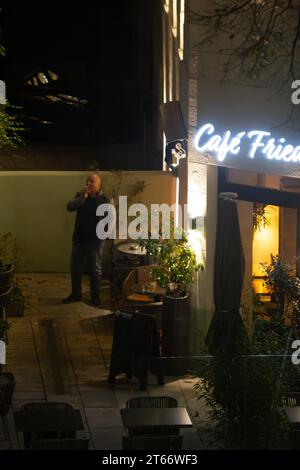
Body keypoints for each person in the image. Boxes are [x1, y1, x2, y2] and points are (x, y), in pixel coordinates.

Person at [63, 173, 110, 306]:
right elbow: (69, 207)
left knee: (95, 270)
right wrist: (82, 198)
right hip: (79, 238)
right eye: (88, 181)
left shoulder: (104, 199)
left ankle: (95, 297)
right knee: (75, 267)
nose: (89, 184)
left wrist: (102, 237)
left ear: (98, 185)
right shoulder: (80, 195)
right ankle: (76, 294)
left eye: (92, 182)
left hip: (95, 241)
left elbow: (110, 219)